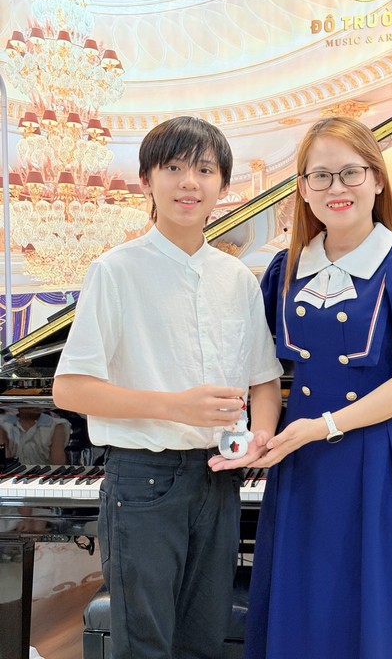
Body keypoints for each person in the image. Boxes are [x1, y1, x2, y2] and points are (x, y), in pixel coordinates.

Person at [210, 116, 392, 659]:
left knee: (381, 609)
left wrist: (322, 426)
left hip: (379, 460)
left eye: (351, 172)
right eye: (320, 176)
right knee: (309, 606)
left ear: (377, 179)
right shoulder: (284, 269)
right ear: (303, 188)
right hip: (303, 463)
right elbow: (260, 370)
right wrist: (258, 432)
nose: (336, 187)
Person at [52, 116, 283, 659]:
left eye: (204, 170)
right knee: (144, 647)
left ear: (222, 186)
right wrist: (175, 406)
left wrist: (262, 436)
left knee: (203, 641)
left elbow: (265, 380)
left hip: (219, 481)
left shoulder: (238, 279)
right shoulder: (115, 270)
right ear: (146, 181)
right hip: (143, 481)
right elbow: (70, 389)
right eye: (174, 168)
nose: (189, 182)